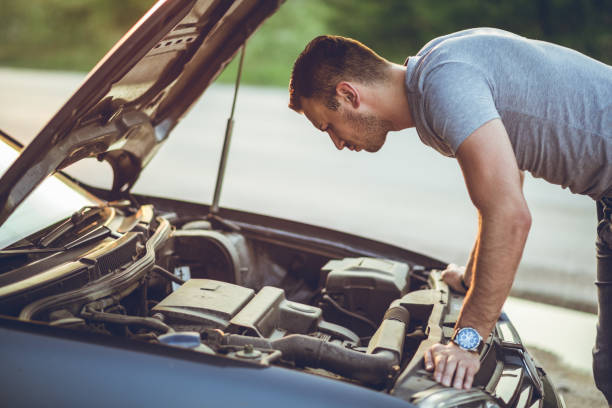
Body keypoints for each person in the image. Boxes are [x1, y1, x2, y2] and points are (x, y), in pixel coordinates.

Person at [288, 28, 612, 404]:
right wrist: (472, 276)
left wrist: (467, 342)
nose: (337, 143)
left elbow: (510, 216)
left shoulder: (444, 83)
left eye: (328, 125)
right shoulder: (436, 70)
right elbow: (507, 176)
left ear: (349, 94)